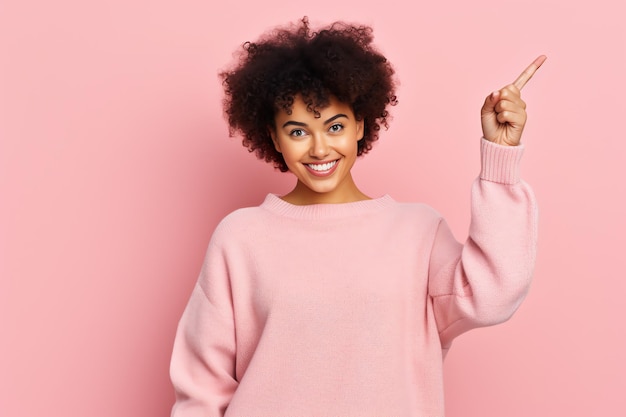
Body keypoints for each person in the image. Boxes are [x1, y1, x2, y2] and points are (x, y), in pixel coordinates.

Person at [169, 17, 545, 416]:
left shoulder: (417, 232)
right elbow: (202, 388)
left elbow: (493, 296)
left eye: (335, 126)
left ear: (361, 123)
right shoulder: (240, 237)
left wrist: (499, 158)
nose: (319, 148)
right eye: (297, 131)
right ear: (274, 136)